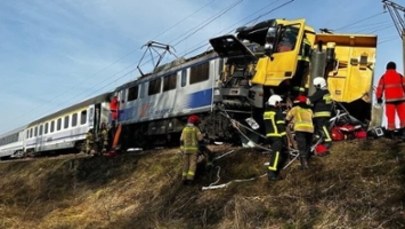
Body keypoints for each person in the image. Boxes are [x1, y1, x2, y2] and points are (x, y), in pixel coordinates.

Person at [376, 61, 405, 139]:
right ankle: (403, 131)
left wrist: (379, 98)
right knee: (403, 116)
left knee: (390, 117)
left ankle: (391, 133)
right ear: (395, 68)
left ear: (387, 68)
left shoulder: (383, 77)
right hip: (401, 100)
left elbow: (380, 88)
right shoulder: (400, 76)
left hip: (390, 101)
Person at [286, 95, 314, 169]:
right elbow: (313, 119)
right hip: (310, 130)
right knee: (308, 146)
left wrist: (284, 124)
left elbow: (287, 118)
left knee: (302, 147)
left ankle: (304, 165)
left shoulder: (295, 109)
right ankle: (307, 161)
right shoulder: (309, 110)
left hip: (300, 129)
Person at [263, 94, 287, 181]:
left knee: (276, 153)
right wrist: (284, 138)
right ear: (275, 103)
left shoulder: (266, 113)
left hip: (269, 136)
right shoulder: (277, 112)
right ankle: (272, 173)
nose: (280, 104)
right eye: (279, 103)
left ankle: (274, 171)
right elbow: (280, 126)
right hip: (277, 136)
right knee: (276, 155)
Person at [309, 77, 333, 151]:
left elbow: (311, 99)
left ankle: (328, 140)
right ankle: (318, 137)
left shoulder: (320, 92)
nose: (316, 87)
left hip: (321, 113)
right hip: (325, 112)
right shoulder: (326, 91)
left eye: (316, 86)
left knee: (322, 126)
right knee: (318, 127)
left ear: (319, 85)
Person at [180, 115, 203, 185]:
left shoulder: (185, 129)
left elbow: (181, 140)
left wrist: (182, 149)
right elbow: (200, 139)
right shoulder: (195, 129)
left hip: (185, 150)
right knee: (192, 164)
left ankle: (183, 179)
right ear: (195, 122)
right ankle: (190, 179)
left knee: (185, 164)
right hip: (194, 150)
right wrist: (203, 135)